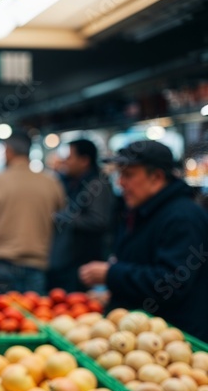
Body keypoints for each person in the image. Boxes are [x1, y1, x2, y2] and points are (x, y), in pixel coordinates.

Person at [79, 140, 208, 340]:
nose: (120, 182)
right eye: (120, 174)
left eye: (128, 175)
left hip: (173, 341)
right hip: (139, 336)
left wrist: (111, 274)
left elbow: (172, 283)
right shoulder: (141, 211)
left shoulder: (182, 217)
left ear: (156, 177)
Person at [0, 131, 65, 294]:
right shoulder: (52, 183)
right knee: (30, 317)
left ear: (8, 151)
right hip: (36, 268)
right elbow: (61, 220)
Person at [47, 139, 114, 292]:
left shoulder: (97, 185)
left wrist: (62, 217)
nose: (65, 161)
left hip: (84, 265)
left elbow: (99, 220)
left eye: (69, 157)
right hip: (72, 262)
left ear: (84, 160)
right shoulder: (75, 182)